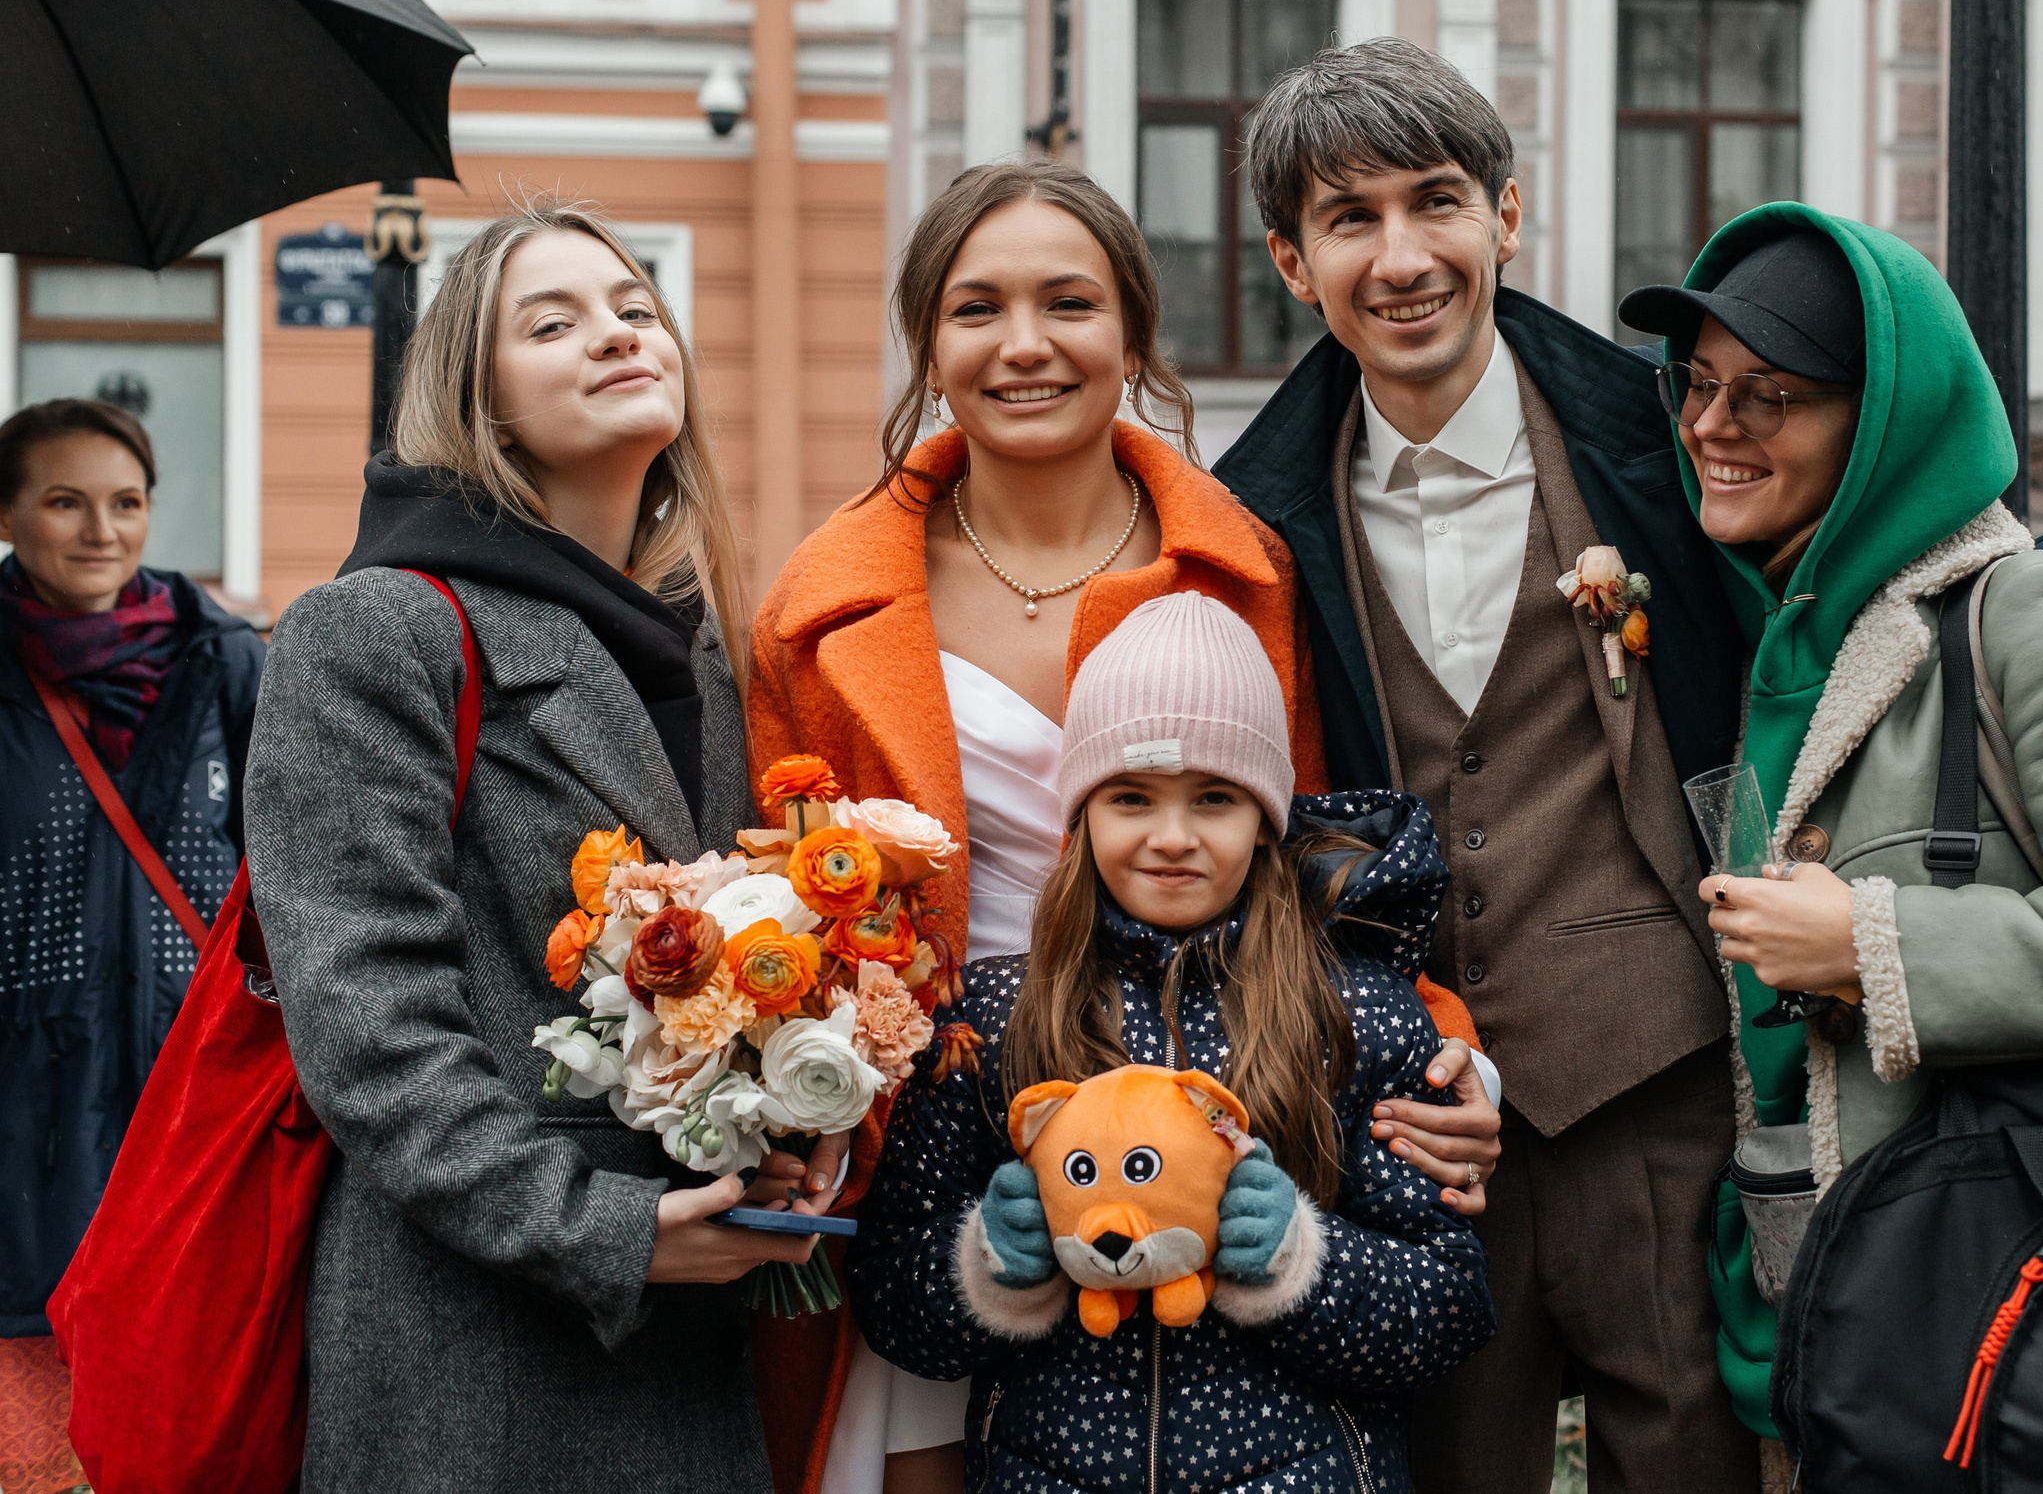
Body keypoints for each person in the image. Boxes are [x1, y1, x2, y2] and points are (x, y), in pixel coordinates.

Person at [1210, 37, 2043, 1494]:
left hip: (1668, 1089)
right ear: (1288, 257)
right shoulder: (1241, 514)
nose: (1403, 255)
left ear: (1506, 220)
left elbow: (1915, 521)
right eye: (1349, 217)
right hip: (1408, 1128)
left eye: (1437, 202)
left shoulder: (1663, 419)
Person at [747, 159, 1497, 1494]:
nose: (1025, 343)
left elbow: (1313, 853)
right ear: (929, 342)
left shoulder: (1248, 568)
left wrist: (1443, 1061)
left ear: (1134, 335)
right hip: (952, 1111)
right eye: (978, 307)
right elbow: (777, 888)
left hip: (1228, 1068)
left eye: (1070, 302)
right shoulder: (820, 602)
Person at [242, 200, 846, 1494]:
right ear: (484, 398)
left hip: (693, 1341)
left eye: (635, 306)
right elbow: (369, 1026)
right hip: (474, 1344)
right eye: (554, 321)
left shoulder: (705, 653)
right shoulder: (372, 631)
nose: (616, 333)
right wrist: (606, 1229)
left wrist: (791, 1114)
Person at [1636, 202, 2043, 1387]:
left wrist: (1872, 942)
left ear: (1881, 425)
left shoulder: (2027, 617)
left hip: (1994, 1316)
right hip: (1800, 1324)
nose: (1712, 426)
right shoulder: (1765, 617)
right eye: (1699, 384)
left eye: (1768, 394)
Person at [844, 590, 1496, 1493]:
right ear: (1081, 816)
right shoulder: (993, 1021)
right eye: (1132, 797)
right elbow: (887, 1295)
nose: (1172, 837)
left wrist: (1304, 1261)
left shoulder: (1358, 1013)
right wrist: (984, 1264)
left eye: (1216, 798)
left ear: (1267, 818)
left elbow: (1451, 1305)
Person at [0, 398, 263, 1494]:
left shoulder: (228, 665)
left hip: (190, 1092)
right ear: (10, 513)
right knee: (32, 1429)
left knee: (181, 1407)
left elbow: (281, 870)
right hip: (23, 1112)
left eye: (126, 503)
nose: (101, 531)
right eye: (66, 502)